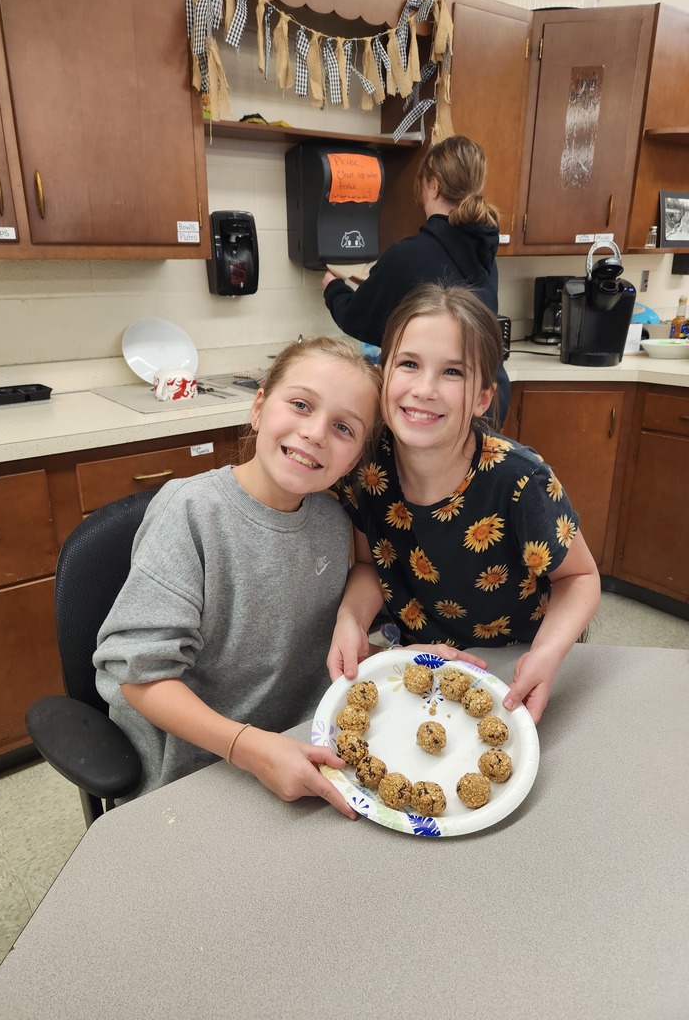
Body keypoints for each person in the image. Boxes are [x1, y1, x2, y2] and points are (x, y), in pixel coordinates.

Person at [94, 336, 481, 816]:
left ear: (354, 459)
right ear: (259, 407)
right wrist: (249, 748)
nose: (316, 433)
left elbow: (346, 590)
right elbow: (139, 676)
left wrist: (385, 658)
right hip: (200, 770)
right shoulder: (190, 513)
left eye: (343, 427)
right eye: (300, 405)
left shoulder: (333, 519)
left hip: (304, 743)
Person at [327, 285, 601, 724]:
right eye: (409, 364)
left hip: (514, 666)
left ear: (482, 398)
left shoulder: (519, 480)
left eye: (452, 372)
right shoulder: (365, 470)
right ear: (383, 373)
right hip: (422, 663)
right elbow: (367, 566)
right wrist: (352, 619)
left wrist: (546, 655)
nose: (424, 389)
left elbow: (580, 578)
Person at [322, 134, 511, 425]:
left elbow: (358, 319)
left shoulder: (407, 255)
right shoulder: (484, 253)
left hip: (441, 403)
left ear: (434, 184)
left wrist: (333, 288)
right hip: (483, 397)